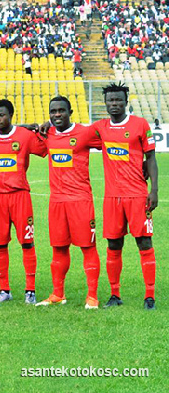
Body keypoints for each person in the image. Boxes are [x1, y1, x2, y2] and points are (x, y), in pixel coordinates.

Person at [91, 83, 158, 310]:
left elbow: (151, 158)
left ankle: (149, 296)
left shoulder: (140, 125)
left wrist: (154, 190)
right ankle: (114, 294)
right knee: (114, 244)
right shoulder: (100, 128)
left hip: (138, 195)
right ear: (105, 103)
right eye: (110, 101)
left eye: (118, 100)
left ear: (125, 100)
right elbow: (74, 133)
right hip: (112, 197)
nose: (114, 104)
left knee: (144, 242)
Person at [34, 96, 101, 309]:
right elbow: (21, 134)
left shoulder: (85, 133)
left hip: (80, 200)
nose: (57, 115)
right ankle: (57, 294)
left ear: (70, 111)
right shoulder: (48, 134)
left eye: (61, 111)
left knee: (87, 247)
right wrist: (40, 125)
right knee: (58, 248)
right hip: (57, 202)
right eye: (53, 111)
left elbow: (111, 141)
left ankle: (92, 297)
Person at [0, 99, 47, 304]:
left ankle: (30, 290)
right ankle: (4, 290)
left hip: (20, 196)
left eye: (2, 115)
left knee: (27, 243)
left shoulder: (25, 137)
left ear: (11, 116)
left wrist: (35, 127)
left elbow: (45, 147)